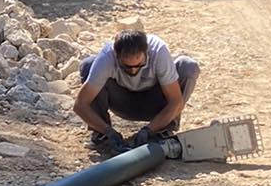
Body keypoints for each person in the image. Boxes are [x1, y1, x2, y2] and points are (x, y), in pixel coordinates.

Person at [74, 27, 199, 157]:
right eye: (127, 67)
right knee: (89, 65)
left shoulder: (158, 51)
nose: (133, 72)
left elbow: (175, 101)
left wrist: (149, 130)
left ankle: (163, 129)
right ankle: (102, 136)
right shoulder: (107, 57)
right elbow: (80, 105)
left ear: (146, 53)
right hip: (122, 102)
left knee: (188, 66)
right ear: (116, 55)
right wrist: (108, 131)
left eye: (139, 65)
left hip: (155, 104)